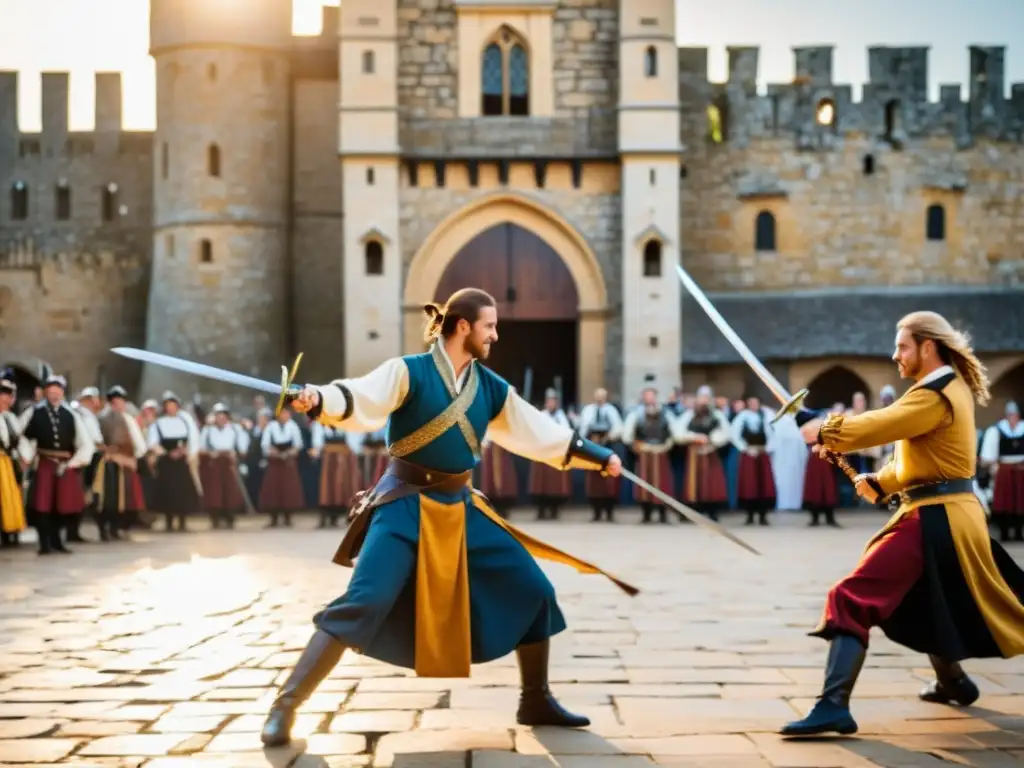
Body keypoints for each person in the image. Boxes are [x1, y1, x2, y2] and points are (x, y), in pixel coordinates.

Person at [258, 288, 635, 747]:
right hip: (402, 504)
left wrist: (596, 456)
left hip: (462, 506)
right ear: (463, 327)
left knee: (535, 590)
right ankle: (286, 706)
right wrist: (317, 399)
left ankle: (535, 698)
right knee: (366, 598)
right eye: (489, 326)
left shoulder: (491, 387)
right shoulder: (408, 372)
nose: (495, 334)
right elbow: (361, 399)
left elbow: (537, 431)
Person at [780, 311, 1024, 737]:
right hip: (945, 510)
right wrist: (880, 480)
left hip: (937, 516)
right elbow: (927, 458)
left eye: (903, 347)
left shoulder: (935, 394)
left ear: (928, 347)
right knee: (931, 600)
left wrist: (825, 428)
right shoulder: (942, 390)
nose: (895, 355)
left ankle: (833, 705)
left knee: (851, 597)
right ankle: (954, 682)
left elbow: (881, 423)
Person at [18, 375, 94, 554]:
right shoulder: (34, 412)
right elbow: (20, 435)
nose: (54, 395)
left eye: (57, 391)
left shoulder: (71, 415)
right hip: (44, 464)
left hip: (64, 466)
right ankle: (44, 544)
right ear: (45, 392)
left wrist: (74, 463)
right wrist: (27, 455)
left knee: (62, 506)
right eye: (51, 391)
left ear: (62, 392)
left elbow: (85, 442)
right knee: (43, 506)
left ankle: (57, 541)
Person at [93, 386, 148, 540]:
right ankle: (104, 529)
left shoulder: (128, 419)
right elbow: (98, 441)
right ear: (111, 402)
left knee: (123, 500)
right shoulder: (101, 419)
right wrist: (109, 453)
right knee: (106, 499)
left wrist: (133, 458)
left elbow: (139, 444)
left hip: (125, 464)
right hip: (108, 463)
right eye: (117, 400)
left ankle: (115, 528)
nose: (120, 404)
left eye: (121, 400)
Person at [147, 392, 202, 532]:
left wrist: (186, 452)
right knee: (168, 492)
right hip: (167, 462)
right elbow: (153, 443)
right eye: (168, 406)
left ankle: (182, 521)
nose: (171, 408)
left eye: (173, 405)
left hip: (181, 462)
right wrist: (166, 453)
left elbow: (192, 439)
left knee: (183, 492)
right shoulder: (158, 423)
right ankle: (169, 521)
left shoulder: (184, 421)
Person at [199, 403, 251, 529]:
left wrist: (236, 454)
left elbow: (243, 449)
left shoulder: (234, 429)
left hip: (229, 463)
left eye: (224, 416)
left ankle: (230, 517)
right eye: (219, 416)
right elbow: (201, 449)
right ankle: (215, 517)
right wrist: (212, 453)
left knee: (230, 491)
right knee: (214, 491)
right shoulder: (208, 430)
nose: (221, 418)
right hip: (214, 463)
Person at [980, 401, 1024, 543]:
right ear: (1006, 416)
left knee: (1020, 501)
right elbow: (989, 455)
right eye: (1010, 415)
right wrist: (993, 465)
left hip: (1021, 469)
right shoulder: (997, 430)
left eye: (1015, 415)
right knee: (1004, 501)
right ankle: (1004, 532)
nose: (1013, 417)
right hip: (1004, 470)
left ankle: (1018, 532)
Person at [731, 395, 777, 526]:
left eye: (755, 402)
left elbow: (773, 433)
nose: (753, 405)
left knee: (764, 485)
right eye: (751, 402)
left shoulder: (767, 415)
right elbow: (734, 434)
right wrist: (745, 448)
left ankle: (763, 516)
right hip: (749, 453)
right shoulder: (743, 416)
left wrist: (767, 449)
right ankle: (749, 516)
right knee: (749, 485)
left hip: (762, 453)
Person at [259, 406, 306, 528]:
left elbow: (298, 445)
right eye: (282, 413)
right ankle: (273, 518)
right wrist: (277, 454)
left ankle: (288, 517)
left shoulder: (293, 426)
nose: (285, 416)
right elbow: (265, 444)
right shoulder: (271, 426)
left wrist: (288, 454)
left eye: (286, 413)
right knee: (272, 490)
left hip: (288, 462)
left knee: (289, 490)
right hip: (275, 462)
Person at [0, 371, 26, 548]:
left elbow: (18, 440)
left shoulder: (10, 418)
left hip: (7, 463)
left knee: (9, 499)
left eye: (8, 397)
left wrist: (24, 457)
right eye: (3, 397)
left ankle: (9, 533)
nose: (7, 401)